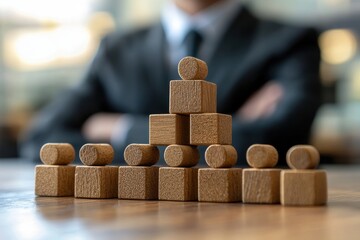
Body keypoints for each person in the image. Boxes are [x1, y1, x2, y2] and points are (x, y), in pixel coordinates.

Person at [20, 0, 321, 164]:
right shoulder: (117, 49)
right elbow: (42, 139)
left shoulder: (289, 41)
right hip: (129, 223)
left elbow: (281, 141)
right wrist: (225, 130)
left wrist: (120, 129)